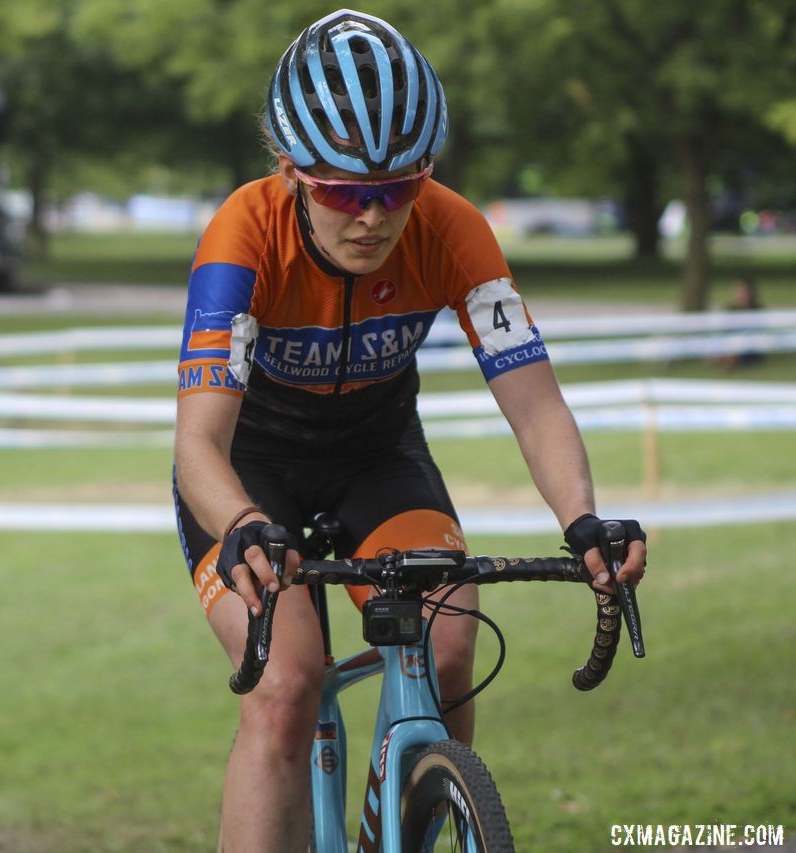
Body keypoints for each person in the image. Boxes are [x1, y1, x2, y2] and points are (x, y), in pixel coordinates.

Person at [170, 10, 648, 849]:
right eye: (343, 192)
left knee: (453, 635)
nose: (372, 217)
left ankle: (429, 811)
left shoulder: (453, 229)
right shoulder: (243, 236)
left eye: (397, 189)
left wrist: (582, 520)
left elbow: (535, 402)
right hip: (251, 472)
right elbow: (198, 444)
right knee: (285, 688)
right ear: (289, 173)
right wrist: (244, 524)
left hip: (376, 456)